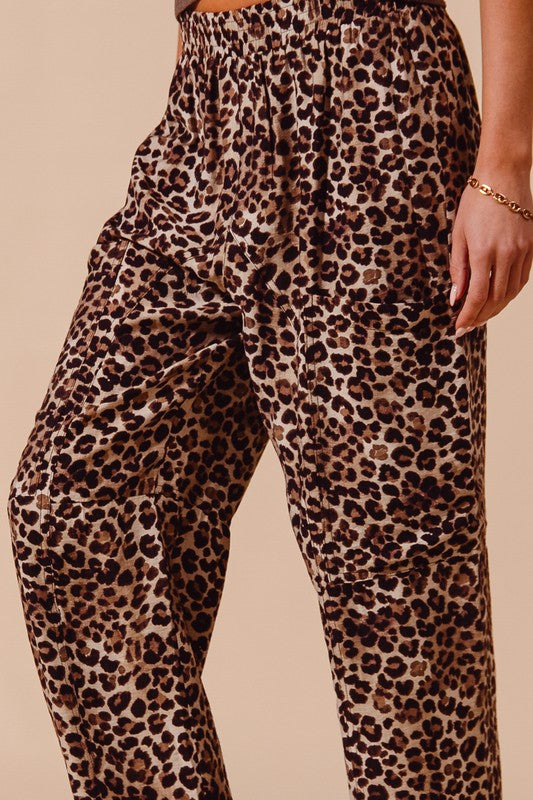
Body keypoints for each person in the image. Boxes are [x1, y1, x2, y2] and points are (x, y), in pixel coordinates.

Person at [7, 0, 532, 798]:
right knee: (67, 503)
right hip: (206, 100)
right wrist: (196, 69)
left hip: (366, 91)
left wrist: (505, 166)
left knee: (393, 576)